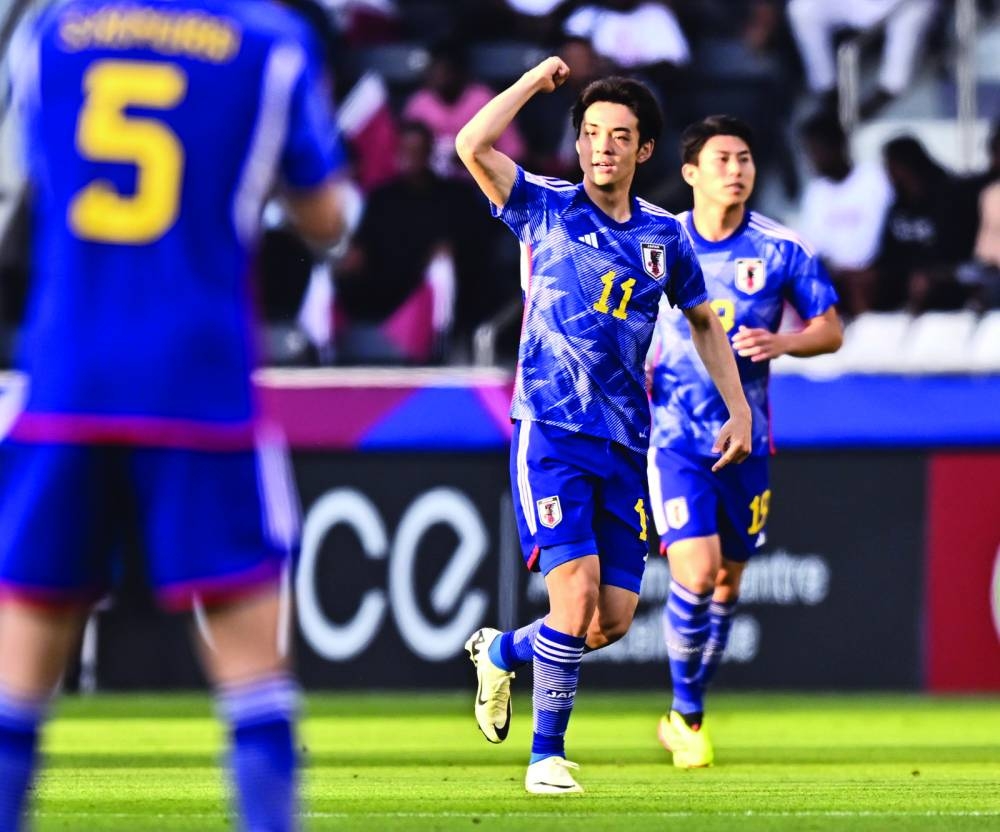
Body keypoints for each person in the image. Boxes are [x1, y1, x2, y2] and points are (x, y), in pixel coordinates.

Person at [0, 0, 348, 828]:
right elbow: (325, 217)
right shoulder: (269, 43)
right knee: (252, 667)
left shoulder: (49, 36)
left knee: (18, 674)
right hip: (199, 381)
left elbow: (33, 181)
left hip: (68, 375)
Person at [455, 59, 752, 795]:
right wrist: (530, 83)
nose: (602, 149)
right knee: (576, 597)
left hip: (627, 441)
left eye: (619, 137)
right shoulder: (544, 207)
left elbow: (706, 324)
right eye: (590, 135)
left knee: (609, 622)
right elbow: (470, 145)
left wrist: (738, 406)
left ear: (645, 151)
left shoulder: (665, 238)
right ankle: (545, 757)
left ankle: (502, 654)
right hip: (551, 432)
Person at [647, 115, 842, 768]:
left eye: (747, 159)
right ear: (691, 173)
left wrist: (783, 341)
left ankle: (687, 707)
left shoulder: (780, 248)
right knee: (696, 573)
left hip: (748, 441)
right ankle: (688, 717)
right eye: (724, 159)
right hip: (674, 437)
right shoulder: (658, 241)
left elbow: (831, 328)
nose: (737, 170)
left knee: (727, 586)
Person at [797, 111, 893, 318]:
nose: (813, 159)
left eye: (817, 150)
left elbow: (880, 237)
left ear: (838, 146)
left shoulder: (874, 179)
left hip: (876, 273)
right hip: (835, 278)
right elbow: (814, 247)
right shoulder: (816, 192)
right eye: (809, 152)